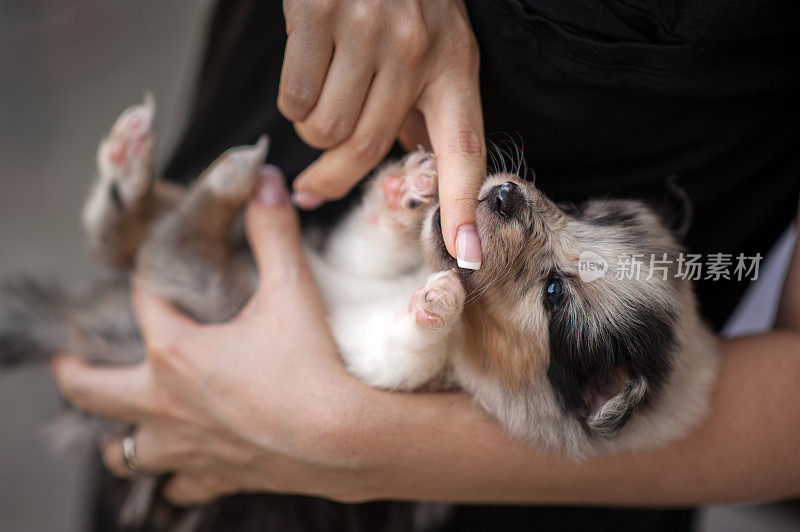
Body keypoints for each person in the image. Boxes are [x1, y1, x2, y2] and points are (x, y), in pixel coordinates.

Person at [52, 1, 800, 530]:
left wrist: (363, 439)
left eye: (551, 282)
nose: (530, 212)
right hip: (290, 106)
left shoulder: (586, 372)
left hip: (540, 490)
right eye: (588, 221)